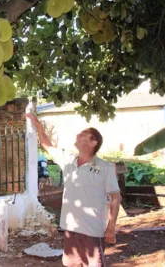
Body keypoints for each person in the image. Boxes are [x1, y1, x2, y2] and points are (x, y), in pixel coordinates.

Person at [26, 113, 122, 267]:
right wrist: (38, 126)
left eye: (84, 134)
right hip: (71, 227)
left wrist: (111, 227)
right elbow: (47, 145)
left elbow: (116, 198)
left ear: (93, 142)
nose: (78, 135)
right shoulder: (68, 160)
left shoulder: (104, 167)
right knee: (70, 264)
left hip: (93, 230)